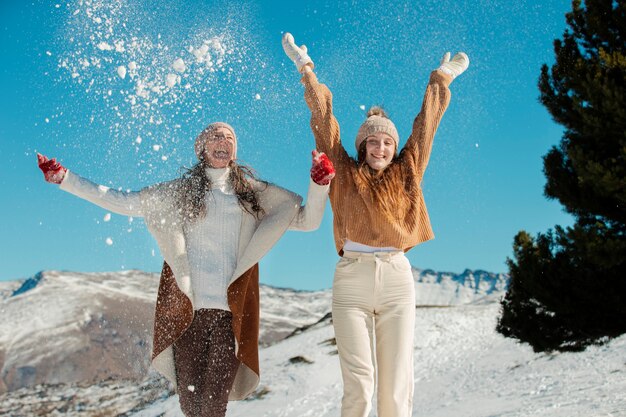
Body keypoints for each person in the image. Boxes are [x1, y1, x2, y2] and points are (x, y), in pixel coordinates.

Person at [36, 121, 336, 417]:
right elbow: (123, 202)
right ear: (202, 148)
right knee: (191, 406)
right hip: (186, 314)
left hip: (228, 318)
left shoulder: (253, 197)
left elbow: (306, 221)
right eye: (216, 135)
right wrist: (65, 179)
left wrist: (319, 184)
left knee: (212, 406)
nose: (223, 140)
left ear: (234, 150)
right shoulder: (178, 193)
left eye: (229, 137)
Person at [282, 33, 469, 417]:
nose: (380, 148)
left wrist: (439, 81)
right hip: (351, 280)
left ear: (394, 146)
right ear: (362, 146)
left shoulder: (408, 170)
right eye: (373, 142)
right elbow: (323, 121)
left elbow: (425, 126)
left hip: (397, 280)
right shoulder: (346, 171)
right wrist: (307, 71)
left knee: (396, 389)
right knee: (359, 385)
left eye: (387, 142)